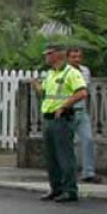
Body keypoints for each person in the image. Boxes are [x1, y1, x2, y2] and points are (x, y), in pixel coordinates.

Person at [31, 43, 88, 203]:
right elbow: (47, 95)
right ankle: (56, 188)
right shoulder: (50, 74)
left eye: (49, 53)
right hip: (49, 117)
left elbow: (82, 92)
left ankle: (70, 190)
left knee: (64, 156)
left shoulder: (71, 73)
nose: (46, 57)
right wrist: (38, 88)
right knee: (51, 157)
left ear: (58, 54)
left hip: (62, 118)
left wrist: (64, 106)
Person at [67, 46, 102, 184]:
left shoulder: (85, 71)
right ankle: (67, 171)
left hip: (81, 110)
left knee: (88, 140)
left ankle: (88, 172)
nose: (76, 59)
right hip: (67, 110)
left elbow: (84, 88)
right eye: (73, 57)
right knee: (67, 144)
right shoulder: (63, 72)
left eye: (79, 57)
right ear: (68, 58)